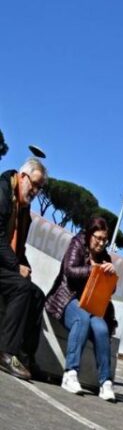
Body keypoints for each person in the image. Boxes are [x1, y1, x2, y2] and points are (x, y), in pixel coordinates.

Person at [46, 217, 118, 400]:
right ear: (89, 235)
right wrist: (92, 268)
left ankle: (105, 382)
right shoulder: (77, 244)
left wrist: (111, 274)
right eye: (98, 238)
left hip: (91, 304)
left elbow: (111, 289)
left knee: (102, 329)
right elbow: (69, 270)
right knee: (82, 319)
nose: (101, 243)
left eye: (105, 240)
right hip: (67, 297)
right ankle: (70, 373)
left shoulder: (105, 257)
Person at [0, 158, 49, 379]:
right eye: (34, 184)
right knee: (21, 287)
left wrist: (24, 265)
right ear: (22, 177)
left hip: (4, 263)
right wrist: (15, 265)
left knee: (37, 294)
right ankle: (6, 353)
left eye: (40, 187)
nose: (36, 191)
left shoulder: (24, 209)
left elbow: (19, 248)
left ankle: (26, 357)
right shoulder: (2, 191)